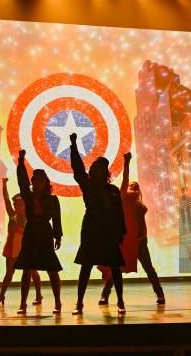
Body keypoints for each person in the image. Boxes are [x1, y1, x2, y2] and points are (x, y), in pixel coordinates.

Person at [70, 133, 127, 315]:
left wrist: (120, 233)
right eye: (94, 165)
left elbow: (119, 212)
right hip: (91, 229)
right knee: (86, 266)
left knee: (115, 267)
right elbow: (78, 170)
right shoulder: (88, 185)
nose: (94, 168)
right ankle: (79, 303)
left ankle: (120, 301)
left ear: (105, 172)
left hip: (108, 231)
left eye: (99, 166)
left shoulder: (113, 190)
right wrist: (73, 146)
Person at [98, 152, 165, 306]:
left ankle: (160, 294)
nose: (133, 187)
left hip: (140, 242)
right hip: (126, 241)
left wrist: (144, 236)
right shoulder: (123, 200)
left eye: (136, 187)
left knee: (149, 268)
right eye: (131, 186)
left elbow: (142, 223)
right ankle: (105, 295)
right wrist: (126, 163)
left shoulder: (140, 206)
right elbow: (125, 180)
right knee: (115, 270)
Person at [14, 150, 63, 314]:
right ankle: (22, 303)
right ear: (33, 181)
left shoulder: (52, 199)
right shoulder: (27, 195)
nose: (38, 182)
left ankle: (58, 302)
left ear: (45, 182)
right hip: (31, 232)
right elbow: (21, 181)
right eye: (35, 180)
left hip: (44, 233)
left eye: (41, 180)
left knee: (52, 269)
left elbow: (56, 218)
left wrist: (58, 236)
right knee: (27, 269)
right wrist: (21, 162)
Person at [0, 177, 43, 307]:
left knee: (33, 273)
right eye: (15, 204)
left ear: (24, 205)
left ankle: (38, 295)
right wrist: (4, 184)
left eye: (19, 204)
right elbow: (6, 199)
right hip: (12, 249)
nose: (16, 206)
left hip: (26, 249)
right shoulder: (13, 216)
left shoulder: (29, 219)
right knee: (9, 274)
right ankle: (1, 296)